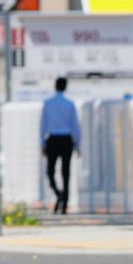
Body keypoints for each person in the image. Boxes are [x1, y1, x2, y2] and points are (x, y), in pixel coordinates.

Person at [39, 76, 81, 214]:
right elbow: (75, 125)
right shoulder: (70, 104)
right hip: (66, 139)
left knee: (50, 172)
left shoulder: (48, 103)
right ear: (65, 87)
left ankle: (59, 195)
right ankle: (64, 201)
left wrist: (42, 142)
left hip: (53, 139)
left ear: (55, 86)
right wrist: (78, 143)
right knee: (66, 173)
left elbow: (43, 125)